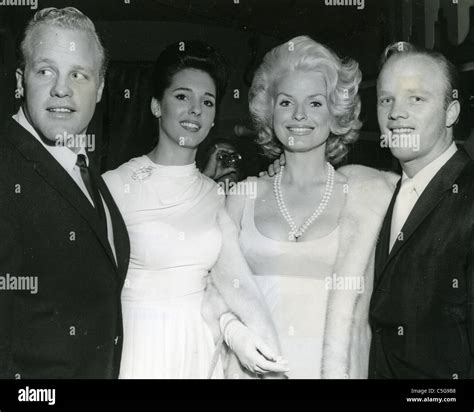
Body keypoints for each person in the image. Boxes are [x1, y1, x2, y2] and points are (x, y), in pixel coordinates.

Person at [103, 41, 288, 378]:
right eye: (182, 97)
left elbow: (220, 290)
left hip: (200, 353)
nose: (195, 110)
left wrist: (238, 334)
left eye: (207, 102)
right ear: (157, 106)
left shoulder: (219, 196)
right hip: (138, 349)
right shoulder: (115, 185)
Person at [217, 35, 397, 378]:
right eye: (286, 102)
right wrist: (234, 333)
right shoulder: (242, 196)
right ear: (269, 113)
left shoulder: (370, 198)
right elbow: (213, 290)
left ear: (336, 113)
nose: (299, 114)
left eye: (315, 103)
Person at [0, 7, 130, 378]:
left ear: (101, 87)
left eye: (79, 74)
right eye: (46, 71)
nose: (62, 88)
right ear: (20, 81)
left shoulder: (84, 168)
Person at [369, 42, 474, 378]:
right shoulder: (377, 193)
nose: (396, 113)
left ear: (452, 112)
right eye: (387, 99)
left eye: (416, 98)